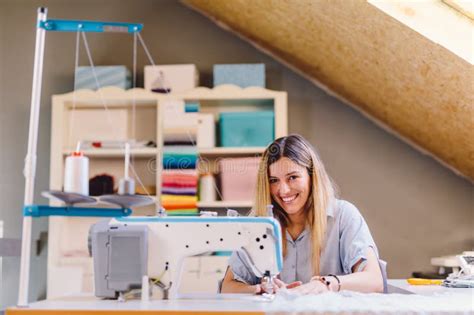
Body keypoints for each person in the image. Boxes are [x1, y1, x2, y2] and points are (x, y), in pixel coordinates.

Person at [221, 134, 385, 295]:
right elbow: (227, 287)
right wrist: (258, 289)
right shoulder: (258, 224)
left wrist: (328, 284)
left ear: (311, 177)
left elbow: (374, 280)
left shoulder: (343, 216)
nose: (283, 190)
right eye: (273, 180)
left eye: (292, 177)